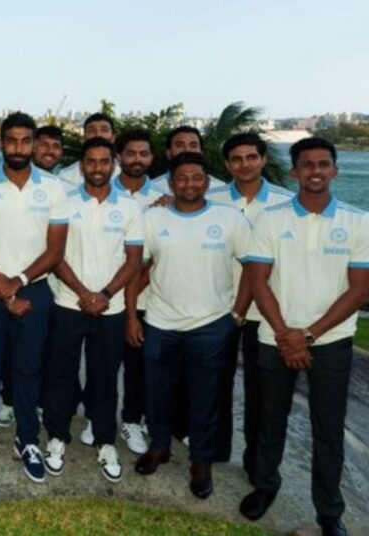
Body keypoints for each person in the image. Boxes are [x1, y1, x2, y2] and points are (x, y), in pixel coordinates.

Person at [239, 138, 368, 536]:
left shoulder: (359, 221)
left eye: (323, 164)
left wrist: (308, 335)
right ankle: (265, 485)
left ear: (334, 170)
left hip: (330, 343)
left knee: (327, 427)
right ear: (294, 172)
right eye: (307, 165)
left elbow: (359, 290)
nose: (315, 171)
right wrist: (285, 334)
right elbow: (258, 281)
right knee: (269, 420)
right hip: (275, 338)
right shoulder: (271, 220)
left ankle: (329, 511)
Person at [132, 152, 250, 500]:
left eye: (197, 177)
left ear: (207, 181)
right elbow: (139, 270)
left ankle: (201, 462)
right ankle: (159, 446)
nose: (189, 184)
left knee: (206, 398)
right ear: (171, 183)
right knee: (157, 393)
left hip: (212, 325)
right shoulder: (152, 218)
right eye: (181, 178)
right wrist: (128, 316)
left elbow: (253, 268)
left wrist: (237, 316)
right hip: (160, 322)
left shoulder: (230, 219)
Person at [0, 113, 69, 484]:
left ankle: (28, 440)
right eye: (12, 141)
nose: (19, 148)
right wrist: (1, 286)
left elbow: (55, 250)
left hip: (34, 290)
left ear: (35, 144)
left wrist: (20, 281)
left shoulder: (55, 188)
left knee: (28, 370)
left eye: (27, 141)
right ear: (0, 144)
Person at [42, 137, 142, 483]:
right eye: (91, 161)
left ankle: (104, 440)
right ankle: (56, 437)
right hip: (69, 303)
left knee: (104, 379)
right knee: (60, 375)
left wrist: (105, 294)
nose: (97, 168)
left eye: (103, 161)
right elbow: (55, 256)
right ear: (82, 165)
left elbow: (134, 259)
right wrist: (85, 293)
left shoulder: (130, 208)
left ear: (113, 163)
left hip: (109, 310)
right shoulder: (64, 202)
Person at [206, 133, 293, 472]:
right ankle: (215, 449)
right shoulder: (211, 200)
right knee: (215, 384)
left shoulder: (287, 203)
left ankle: (257, 464)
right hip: (217, 308)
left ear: (263, 159)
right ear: (228, 164)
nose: (245, 164)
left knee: (263, 394)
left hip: (266, 313)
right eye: (237, 159)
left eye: (251, 157)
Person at [115, 129, 165, 455]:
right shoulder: (99, 190)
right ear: (119, 156)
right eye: (130, 153)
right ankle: (97, 416)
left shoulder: (164, 198)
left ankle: (132, 420)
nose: (137, 159)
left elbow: (159, 256)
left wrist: (128, 299)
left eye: (143, 153)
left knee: (138, 367)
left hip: (143, 299)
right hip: (98, 296)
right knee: (100, 366)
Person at [150, 126, 226, 194]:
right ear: (168, 154)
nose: (187, 150)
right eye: (179, 145)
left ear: (201, 153)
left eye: (193, 146)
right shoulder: (153, 189)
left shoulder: (220, 188)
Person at [58, 113, 121, 186]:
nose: (98, 135)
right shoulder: (66, 177)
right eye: (91, 130)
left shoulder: (127, 174)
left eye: (104, 130)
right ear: (84, 138)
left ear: (113, 137)